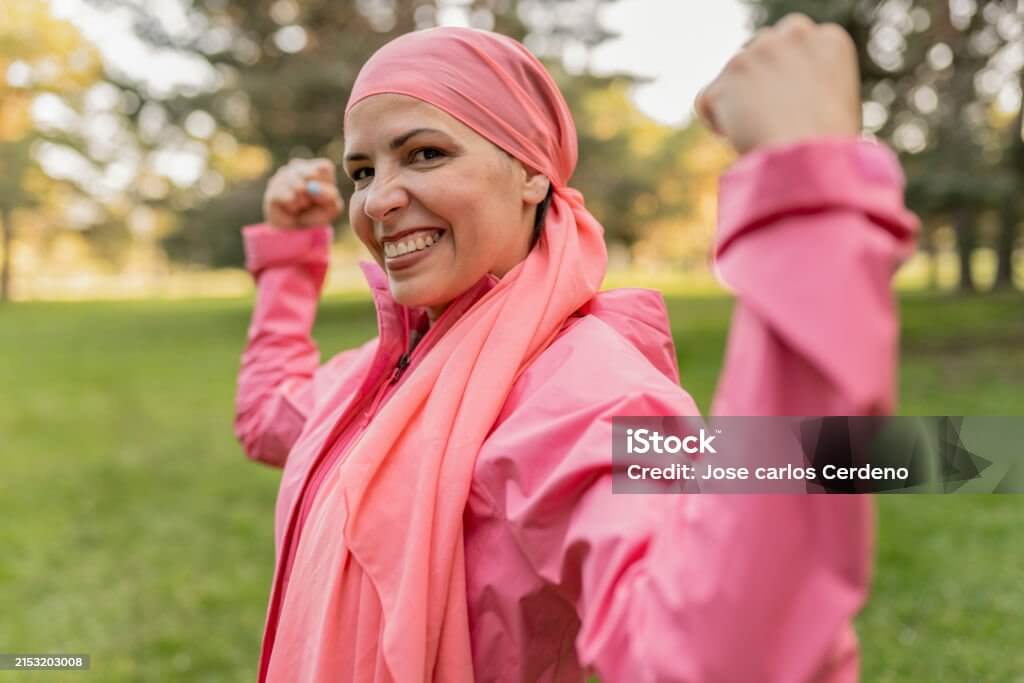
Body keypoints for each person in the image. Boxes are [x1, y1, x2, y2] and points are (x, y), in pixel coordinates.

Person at [234, 16, 918, 683]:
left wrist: (806, 210)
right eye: (361, 170)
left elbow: (716, 656)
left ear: (532, 172)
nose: (379, 199)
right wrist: (291, 261)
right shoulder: (387, 373)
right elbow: (269, 416)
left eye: (425, 153)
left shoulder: (586, 395)